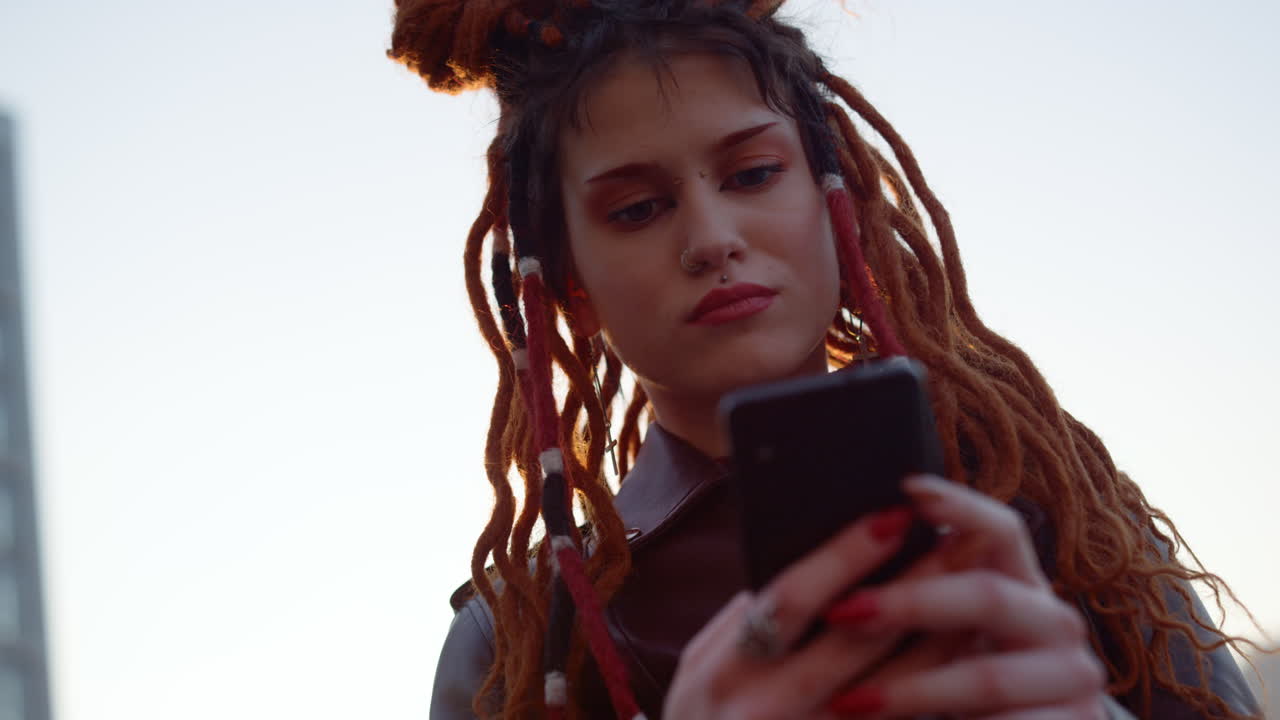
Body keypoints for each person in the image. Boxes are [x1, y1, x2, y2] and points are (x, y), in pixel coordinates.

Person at [388, 1, 1265, 717]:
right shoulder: (518, 636)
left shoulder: (1055, 499)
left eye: (753, 174)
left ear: (837, 195)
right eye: (637, 209)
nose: (711, 239)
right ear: (569, 281)